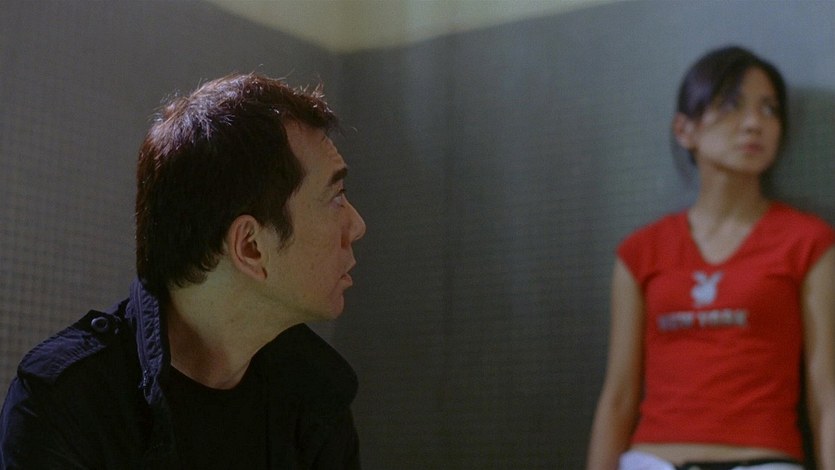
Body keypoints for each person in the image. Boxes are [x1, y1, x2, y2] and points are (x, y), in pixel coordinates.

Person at [0, 73, 367, 468]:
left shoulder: (316, 401)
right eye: (336, 197)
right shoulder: (67, 403)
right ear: (250, 247)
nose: (358, 226)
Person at [587, 46, 835, 470]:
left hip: (762, 462)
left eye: (769, 109)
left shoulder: (808, 241)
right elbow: (619, 397)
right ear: (685, 130)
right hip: (653, 460)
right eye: (732, 105)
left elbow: (826, 395)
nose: (755, 123)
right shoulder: (641, 252)